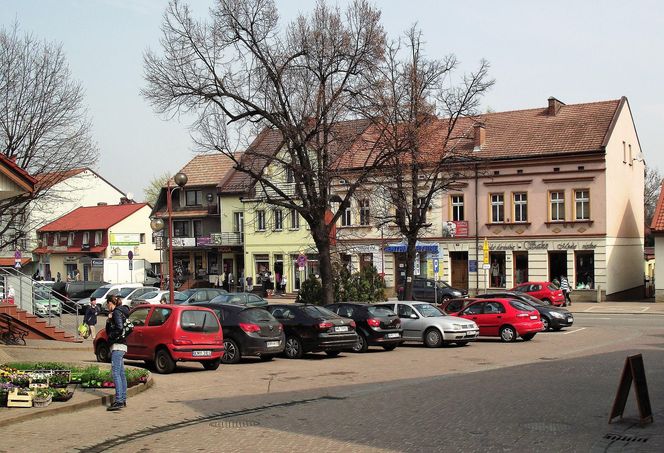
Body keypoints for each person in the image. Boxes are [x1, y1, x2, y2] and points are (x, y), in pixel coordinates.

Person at [105, 295, 129, 411]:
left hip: (117, 345)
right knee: (121, 373)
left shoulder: (115, 313)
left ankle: (119, 400)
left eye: (107, 304)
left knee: (115, 373)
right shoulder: (122, 312)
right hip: (122, 345)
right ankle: (123, 399)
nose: (107, 306)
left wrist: (110, 336)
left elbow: (118, 328)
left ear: (110, 303)